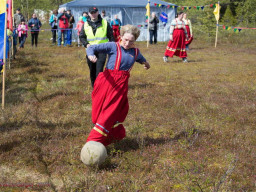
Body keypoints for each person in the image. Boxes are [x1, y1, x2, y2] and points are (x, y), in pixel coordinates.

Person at [85, 24, 150, 147]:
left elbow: (141, 59)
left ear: (135, 41)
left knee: (112, 112)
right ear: (120, 37)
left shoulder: (135, 52)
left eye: (131, 41)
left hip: (120, 87)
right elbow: (91, 48)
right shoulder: (113, 46)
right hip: (106, 82)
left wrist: (146, 63)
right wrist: (91, 55)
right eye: (125, 40)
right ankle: (103, 133)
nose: (127, 43)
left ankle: (95, 141)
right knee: (98, 112)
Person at [79, 6, 114, 87]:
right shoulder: (85, 24)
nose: (93, 14)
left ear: (98, 12)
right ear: (89, 14)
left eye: (95, 12)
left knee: (99, 70)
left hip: (102, 50)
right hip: (90, 51)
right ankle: (93, 86)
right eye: (92, 13)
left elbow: (111, 37)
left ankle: (99, 87)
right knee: (92, 70)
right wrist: (86, 44)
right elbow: (82, 37)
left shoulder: (105, 23)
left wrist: (112, 49)